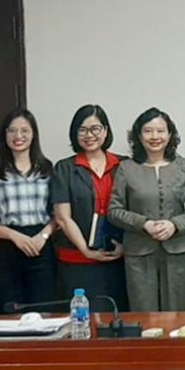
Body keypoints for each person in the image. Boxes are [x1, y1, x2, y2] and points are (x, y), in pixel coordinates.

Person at [108, 108, 185, 311]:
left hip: (178, 249)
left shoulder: (184, 166)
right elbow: (114, 210)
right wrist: (144, 224)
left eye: (160, 131)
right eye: (148, 131)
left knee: (175, 312)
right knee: (143, 312)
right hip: (139, 250)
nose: (155, 136)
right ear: (138, 136)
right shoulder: (126, 168)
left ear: (170, 135)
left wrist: (174, 224)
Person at [0, 109, 58, 315]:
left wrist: (43, 236)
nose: (18, 136)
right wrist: (14, 236)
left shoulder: (47, 170)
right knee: (8, 313)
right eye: (12, 130)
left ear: (33, 134)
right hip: (5, 246)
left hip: (40, 245)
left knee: (44, 312)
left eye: (24, 130)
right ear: (5, 135)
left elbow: (58, 213)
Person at [51, 104, 128, 311]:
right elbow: (62, 217)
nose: (89, 135)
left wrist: (125, 246)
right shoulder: (65, 168)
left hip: (119, 259)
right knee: (81, 320)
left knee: (117, 318)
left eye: (95, 129)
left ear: (106, 131)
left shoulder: (124, 165)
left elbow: (133, 210)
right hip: (76, 260)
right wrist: (85, 250)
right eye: (83, 130)